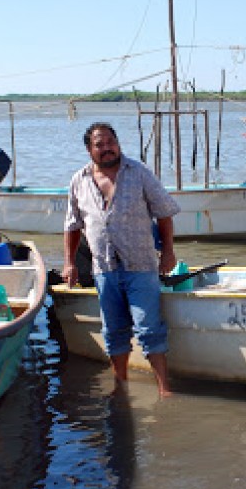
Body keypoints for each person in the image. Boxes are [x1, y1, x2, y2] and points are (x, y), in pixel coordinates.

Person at [63, 122, 180, 398]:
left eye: (110, 142)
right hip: (104, 269)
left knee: (148, 328)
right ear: (90, 150)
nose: (107, 149)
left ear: (118, 143)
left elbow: (164, 213)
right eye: (99, 145)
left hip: (141, 265)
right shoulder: (79, 180)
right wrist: (69, 263)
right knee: (113, 331)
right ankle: (120, 385)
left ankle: (164, 388)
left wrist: (168, 252)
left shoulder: (138, 172)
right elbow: (72, 226)